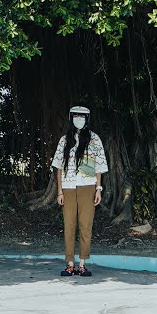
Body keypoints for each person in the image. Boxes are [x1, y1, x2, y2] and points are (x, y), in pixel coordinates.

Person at [52, 104, 107, 276]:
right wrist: (59, 191)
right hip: (68, 188)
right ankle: (70, 263)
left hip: (88, 186)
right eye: (76, 116)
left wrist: (98, 189)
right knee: (69, 225)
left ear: (87, 119)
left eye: (82, 116)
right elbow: (59, 167)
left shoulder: (94, 139)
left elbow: (99, 165)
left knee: (85, 225)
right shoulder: (64, 140)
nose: (79, 119)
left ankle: (82, 263)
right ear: (71, 118)